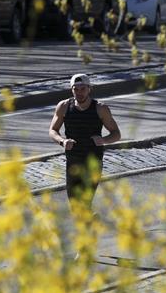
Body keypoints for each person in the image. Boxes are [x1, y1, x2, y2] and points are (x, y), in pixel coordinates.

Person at [49, 73, 121, 210]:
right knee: (75, 206)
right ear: (71, 90)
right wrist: (62, 141)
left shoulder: (101, 108)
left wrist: (103, 140)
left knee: (84, 204)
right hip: (73, 162)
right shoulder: (64, 106)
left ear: (89, 89)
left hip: (93, 162)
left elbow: (116, 134)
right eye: (75, 89)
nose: (79, 92)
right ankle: (91, 219)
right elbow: (53, 130)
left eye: (83, 89)